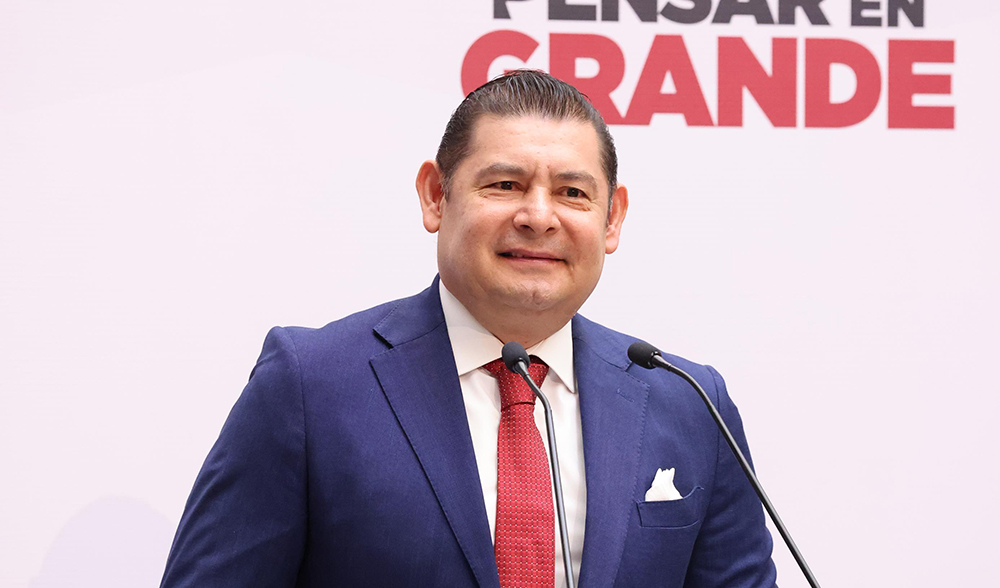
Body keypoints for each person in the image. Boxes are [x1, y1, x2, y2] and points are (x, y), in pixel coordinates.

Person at [159, 70, 777, 588]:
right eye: (505, 185)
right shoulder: (309, 385)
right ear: (436, 195)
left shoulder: (688, 403)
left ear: (612, 219)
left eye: (572, 193)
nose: (539, 216)